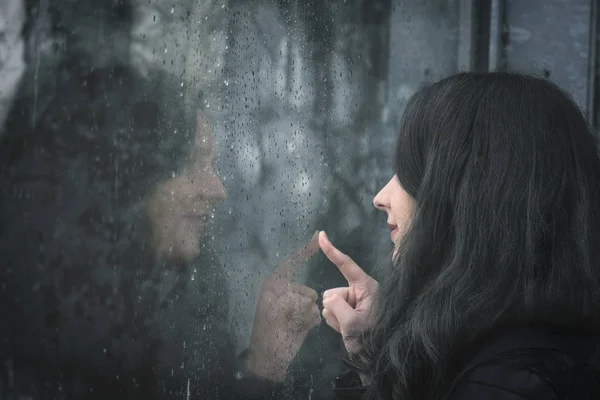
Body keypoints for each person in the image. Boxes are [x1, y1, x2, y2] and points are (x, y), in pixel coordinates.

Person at [0, 64, 321, 399]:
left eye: (212, 165)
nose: (217, 189)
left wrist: (264, 363)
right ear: (127, 182)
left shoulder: (191, 295)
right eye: (190, 164)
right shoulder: (37, 332)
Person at [319, 72, 600, 399]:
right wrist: (373, 350)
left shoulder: (500, 383)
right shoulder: (521, 354)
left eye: (411, 171)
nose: (380, 197)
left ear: (469, 195)